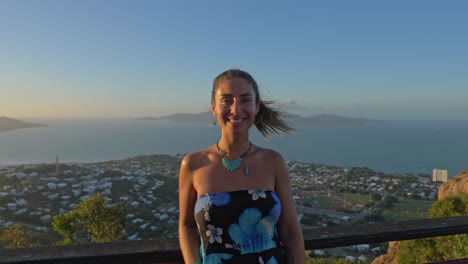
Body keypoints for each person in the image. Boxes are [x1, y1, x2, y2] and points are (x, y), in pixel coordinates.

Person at [179, 69, 305, 264]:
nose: (236, 109)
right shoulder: (194, 164)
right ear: (213, 107)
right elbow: (187, 226)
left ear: (256, 107)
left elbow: (289, 229)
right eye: (226, 100)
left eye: (245, 100)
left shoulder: (273, 162)